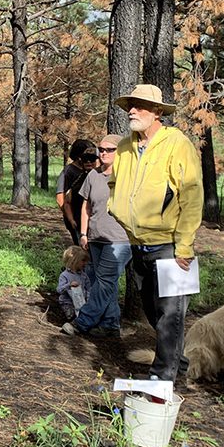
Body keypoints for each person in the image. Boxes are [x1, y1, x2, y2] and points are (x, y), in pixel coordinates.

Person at [107, 84, 202, 382]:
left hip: (169, 247)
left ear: (158, 112)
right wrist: (115, 205)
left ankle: (163, 378)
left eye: (140, 106)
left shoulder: (176, 143)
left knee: (170, 316)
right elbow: (114, 183)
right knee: (153, 312)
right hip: (138, 245)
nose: (132, 111)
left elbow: (191, 194)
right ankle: (179, 365)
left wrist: (184, 246)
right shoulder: (124, 146)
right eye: (130, 106)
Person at [62, 134, 131, 338]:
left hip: (119, 240)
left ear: (120, 152)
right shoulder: (93, 175)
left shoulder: (127, 176)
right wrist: (83, 233)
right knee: (102, 280)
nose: (103, 153)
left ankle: (82, 322)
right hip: (95, 237)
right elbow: (86, 206)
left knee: (104, 281)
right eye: (101, 149)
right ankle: (110, 324)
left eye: (110, 149)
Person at [56, 139, 98, 245]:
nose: (89, 159)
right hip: (77, 218)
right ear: (79, 156)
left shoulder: (93, 171)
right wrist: (71, 219)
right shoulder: (68, 171)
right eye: (86, 155)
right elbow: (61, 198)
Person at [57, 245, 90, 321]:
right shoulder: (64, 275)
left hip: (81, 302)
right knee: (71, 314)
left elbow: (88, 289)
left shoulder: (84, 276)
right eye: (83, 261)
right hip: (68, 302)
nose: (85, 263)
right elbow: (59, 290)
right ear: (74, 261)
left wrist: (88, 299)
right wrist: (69, 285)